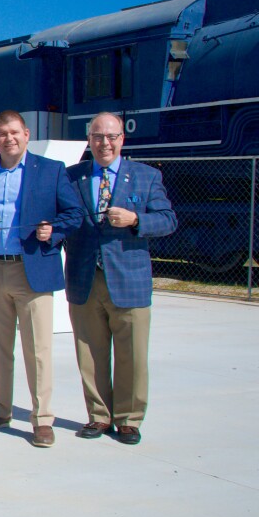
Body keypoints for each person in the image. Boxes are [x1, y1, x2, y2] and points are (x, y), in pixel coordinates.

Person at [0, 110, 84, 448]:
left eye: (15, 132)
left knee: (38, 350)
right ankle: (0, 410)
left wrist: (55, 230)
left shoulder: (51, 171)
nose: (9, 138)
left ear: (27, 134)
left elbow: (73, 213)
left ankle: (42, 418)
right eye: (3, 133)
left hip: (32, 269)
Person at [64, 112, 177, 446]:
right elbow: (62, 219)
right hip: (85, 278)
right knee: (90, 353)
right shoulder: (73, 178)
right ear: (89, 140)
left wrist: (135, 219)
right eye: (98, 137)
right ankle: (99, 416)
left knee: (132, 355)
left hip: (129, 280)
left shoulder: (146, 177)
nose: (104, 143)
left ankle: (128, 419)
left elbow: (168, 220)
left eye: (111, 137)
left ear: (122, 139)